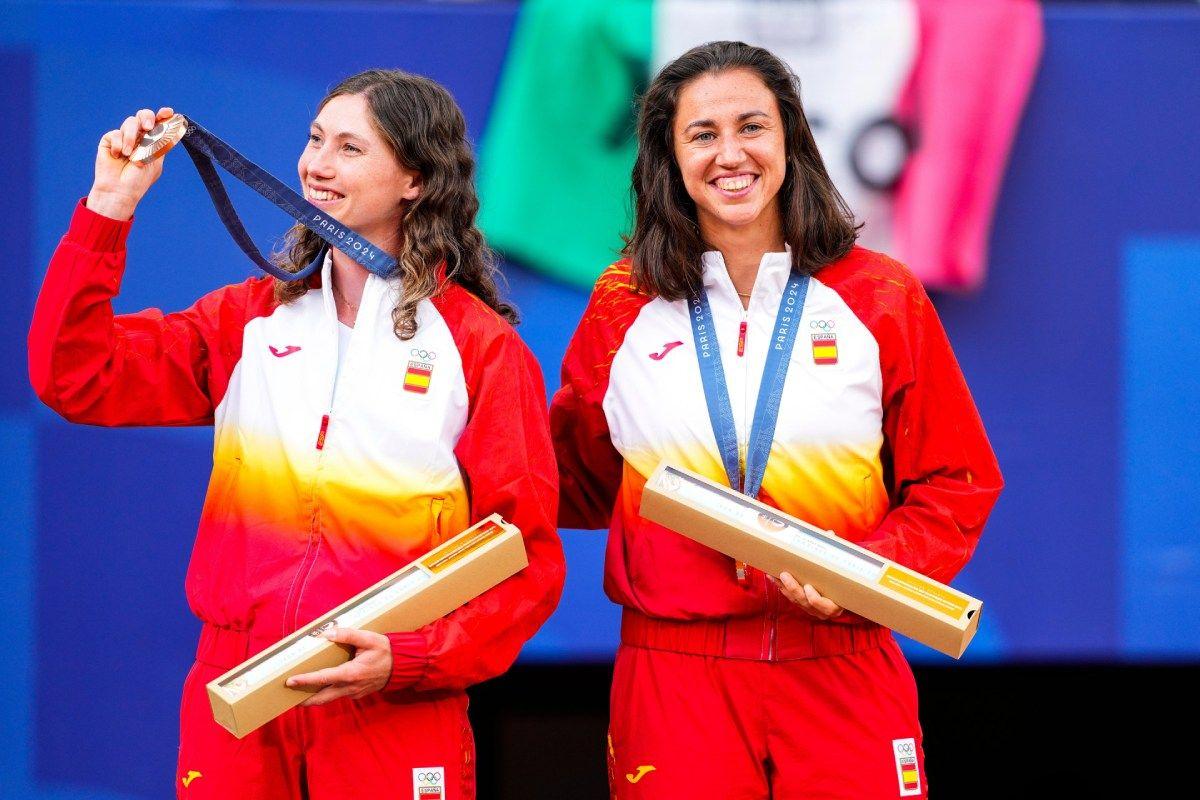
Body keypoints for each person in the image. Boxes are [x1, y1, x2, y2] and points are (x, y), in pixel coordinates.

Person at [29, 69, 564, 799]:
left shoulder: (480, 350)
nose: (316, 163)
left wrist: (412, 658)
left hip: (388, 696)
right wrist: (109, 206)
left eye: (350, 147)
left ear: (414, 178)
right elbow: (74, 375)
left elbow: (522, 556)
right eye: (315, 139)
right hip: (241, 687)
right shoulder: (247, 320)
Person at [551, 41, 1002, 799]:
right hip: (675, 671)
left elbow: (955, 482)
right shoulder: (623, 302)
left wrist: (868, 574)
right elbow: (572, 481)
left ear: (791, 138)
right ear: (670, 156)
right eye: (702, 134)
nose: (731, 153)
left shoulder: (880, 295)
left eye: (752, 126)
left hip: (843, 657)